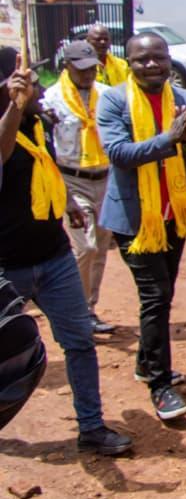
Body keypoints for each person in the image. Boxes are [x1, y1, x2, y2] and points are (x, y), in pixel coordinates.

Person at [0, 46, 132, 455]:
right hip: (7, 266)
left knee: (79, 343)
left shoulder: (37, 120)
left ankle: (91, 427)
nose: (38, 84)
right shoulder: (12, 122)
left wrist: (68, 203)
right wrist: (12, 110)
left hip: (53, 256)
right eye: (25, 76)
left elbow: (47, 166)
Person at [98, 33, 186, 421]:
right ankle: (160, 384)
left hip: (174, 214)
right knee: (156, 295)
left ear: (169, 60)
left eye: (158, 58)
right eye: (141, 59)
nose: (151, 65)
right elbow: (118, 154)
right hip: (134, 219)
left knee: (163, 295)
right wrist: (168, 138)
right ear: (128, 62)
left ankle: (146, 362)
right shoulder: (113, 100)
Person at [41, 41, 115, 334]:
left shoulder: (107, 96)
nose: (88, 75)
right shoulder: (51, 100)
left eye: (92, 68)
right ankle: (75, 310)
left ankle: (89, 309)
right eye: (81, 69)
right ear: (67, 67)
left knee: (100, 249)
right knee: (85, 246)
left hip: (105, 177)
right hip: (72, 179)